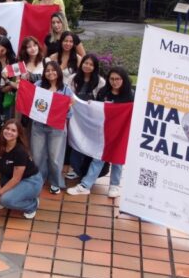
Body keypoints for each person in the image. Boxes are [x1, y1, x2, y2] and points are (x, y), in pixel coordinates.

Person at [69, 67, 134, 198]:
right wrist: (90, 105)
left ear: (123, 80)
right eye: (112, 79)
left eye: (118, 79)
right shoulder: (103, 92)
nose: (114, 82)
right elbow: (97, 111)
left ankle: (114, 185)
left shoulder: (130, 95)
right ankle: (86, 185)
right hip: (104, 132)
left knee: (117, 159)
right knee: (98, 158)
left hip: (121, 133)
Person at [0, 119, 42, 219]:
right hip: (11, 176)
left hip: (30, 181)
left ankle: (32, 205)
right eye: (7, 128)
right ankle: (9, 195)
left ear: (18, 134)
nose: (9, 132)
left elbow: (16, 179)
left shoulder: (20, 151)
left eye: (13, 130)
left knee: (5, 200)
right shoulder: (0, 144)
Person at [31, 61, 73, 194]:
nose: (50, 73)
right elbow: (31, 103)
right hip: (38, 126)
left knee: (55, 158)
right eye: (47, 70)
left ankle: (55, 182)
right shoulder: (38, 85)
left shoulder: (66, 89)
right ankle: (40, 178)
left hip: (57, 128)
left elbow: (69, 114)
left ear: (59, 72)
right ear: (44, 73)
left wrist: (68, 107)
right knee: (37, 156)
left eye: (53, 70)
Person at [65, 53, 106, 180]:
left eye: (91, 64)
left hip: (92, 119)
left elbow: (101, 101)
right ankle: (76, 169)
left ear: (95, 67)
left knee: (89, 143)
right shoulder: (72, 78)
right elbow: (67, 94)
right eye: (85, 63)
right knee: (76, 141)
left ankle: (87, 171)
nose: (87, 66)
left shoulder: (100, 82)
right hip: (76, 118)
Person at [0, 36, 18, 119]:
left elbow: (17, 79)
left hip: (8, 94)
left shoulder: (13, 61)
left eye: (2, 49)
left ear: (7, 49)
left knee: (6, 119)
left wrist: (9, 86)